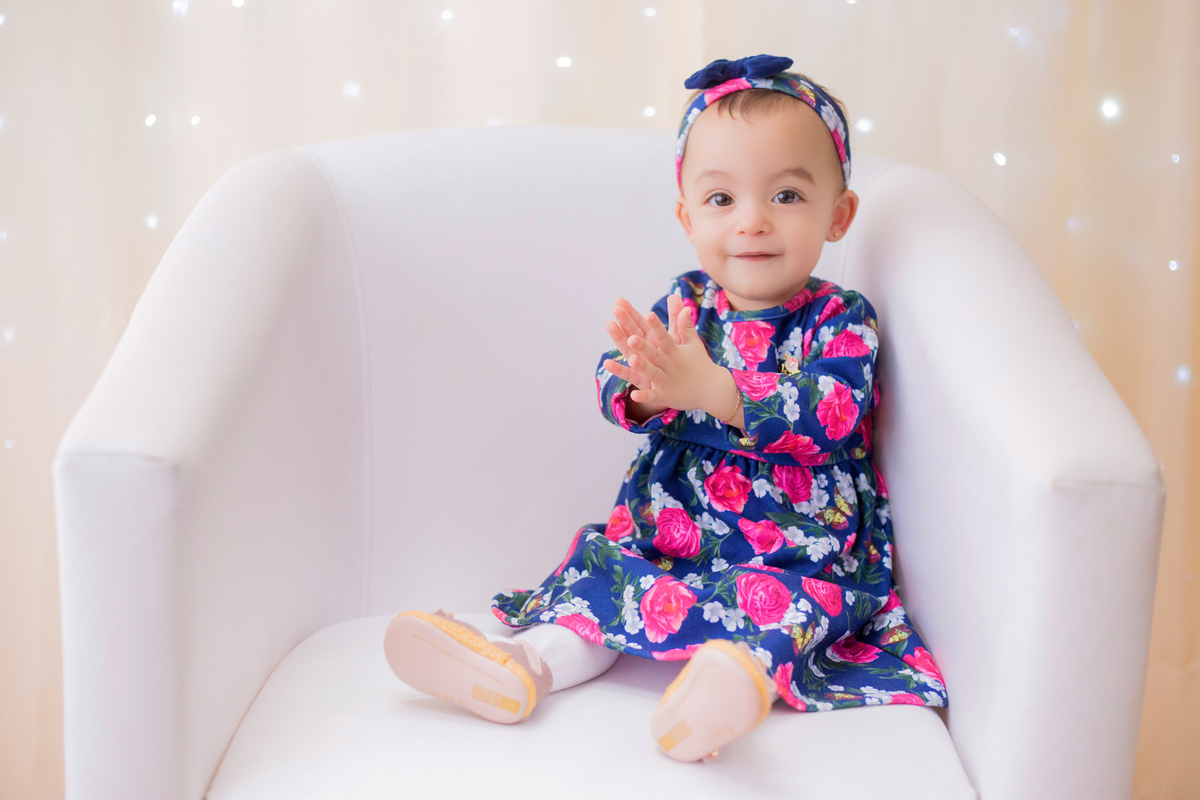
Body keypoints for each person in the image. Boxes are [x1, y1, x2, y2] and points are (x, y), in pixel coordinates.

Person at [383, 54, 948, 763]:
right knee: (609, 582)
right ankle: (525, 665)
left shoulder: (839, 317)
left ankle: (728, 688)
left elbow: (832, 414)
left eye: (786, 196)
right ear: (687, 217)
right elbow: (616, 377)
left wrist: (715, 391)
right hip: (671, 533)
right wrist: (641, 390)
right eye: (722, 199)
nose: (752, 222)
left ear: (838, 216)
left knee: (785, 610)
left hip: (795, 544)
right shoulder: (687, 303)